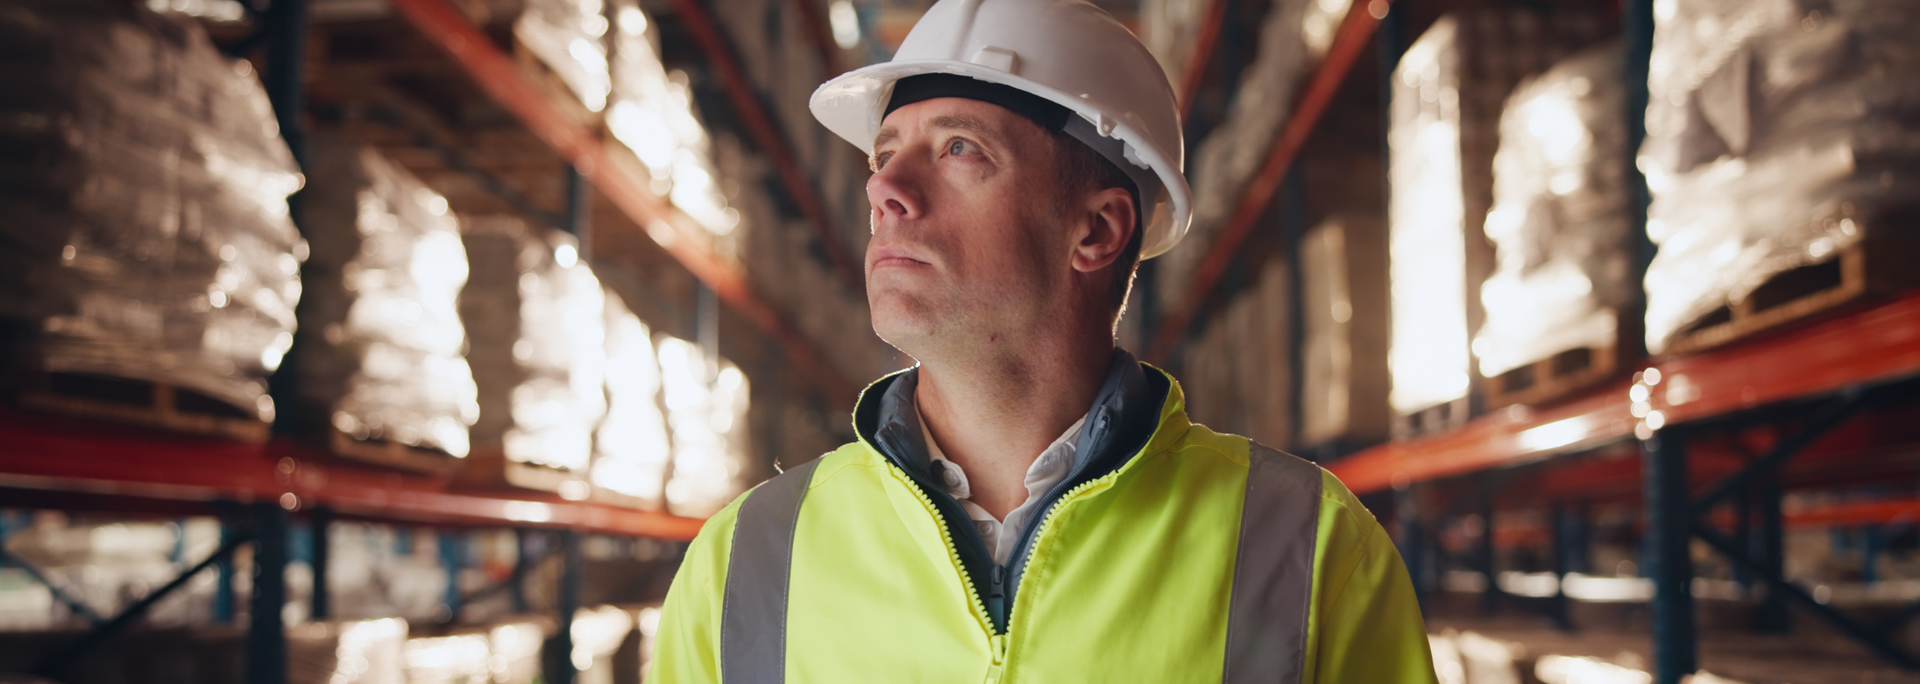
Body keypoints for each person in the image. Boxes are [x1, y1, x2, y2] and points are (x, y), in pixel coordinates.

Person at [650, 0, 1436, 681]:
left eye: (960, 149)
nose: (883, 189)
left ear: (1095, 230)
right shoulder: (743, 562)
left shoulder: (1309, 550)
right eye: (885, 154)